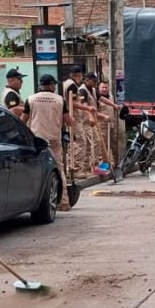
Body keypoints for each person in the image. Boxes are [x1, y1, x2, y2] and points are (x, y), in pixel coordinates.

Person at [22, 74, 73, 211]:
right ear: (50, 85)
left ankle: (33, 201)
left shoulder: (30, 99)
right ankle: (63, 202)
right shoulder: (60, 100)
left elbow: (23, 120)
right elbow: (68, 121)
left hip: (36, 141)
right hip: (54, 140)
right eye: (54, 85)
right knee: (58, 169)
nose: (55, 87)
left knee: (35, 170)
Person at [65, 65, 97, 178]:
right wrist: (88, 109)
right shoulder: (72, 85)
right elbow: (72, 103)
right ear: (79, 75)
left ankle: (75, 168)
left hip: (72, 118)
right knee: (80, 142)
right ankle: (76, 170)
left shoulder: (68, 84)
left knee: (76, 143)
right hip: (73, 118)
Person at [79, 72, 107, 174]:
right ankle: (93, 166)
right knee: (95, 141)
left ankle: (88, 166)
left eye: (96, 81)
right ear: (87, 80)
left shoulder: (93, 90)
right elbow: (84, 105)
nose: (95, 83)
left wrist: (114, 105)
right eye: (93, 81)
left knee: (91, 143)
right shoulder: (82, 90)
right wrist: (90, 116)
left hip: (93, 121)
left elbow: (102, 98)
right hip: (86, 121)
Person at [96, 80, 120, 165]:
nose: (105, 89)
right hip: (102, 126)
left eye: (106, 87)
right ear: (99, 88)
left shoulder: (110, 96)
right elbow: (94, 112)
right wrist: (103, 117)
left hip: (112, 124)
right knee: (104, 146)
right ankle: (106, 163)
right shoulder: (97, 99)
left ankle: (116, 163)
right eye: (103, 87)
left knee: (114, 144)